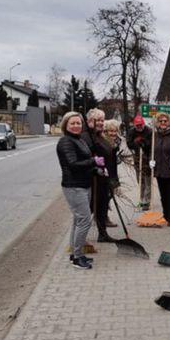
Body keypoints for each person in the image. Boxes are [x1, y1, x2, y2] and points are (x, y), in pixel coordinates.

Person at [56, 111, 103, 270]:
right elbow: (72, 164)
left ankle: (75, 254)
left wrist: (96, 170)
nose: (76, 126)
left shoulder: (79, 140)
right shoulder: (65, 142)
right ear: (66, 125)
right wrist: (93, 161)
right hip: (74, 186)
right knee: (84, 221)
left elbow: (84, 164)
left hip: (84, 184)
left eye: (78, 123)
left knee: (78, 220)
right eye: (73, 123)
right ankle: (77, 257)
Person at [80, 108, 116, 243]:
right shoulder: (86, 136)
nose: (101, 123)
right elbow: (86, 154)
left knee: (101, 206)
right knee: (88, 209)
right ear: (89, 121)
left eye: (102, 120)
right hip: (92, 178)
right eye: (98, 120)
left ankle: (103, 234)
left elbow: (106, 151)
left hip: (102, 178)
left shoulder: (99, 135)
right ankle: (78, 238)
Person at [149, 113, 170, 226]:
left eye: (165, 121)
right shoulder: (155, 136)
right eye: (161, 121)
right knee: (163, 195)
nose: (163, 123)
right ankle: (165, 214)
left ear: (169, 122)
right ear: (157, 123)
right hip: (159, 170)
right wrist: (151, 161)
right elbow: (152, 151)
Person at [127, 115, 152, 210]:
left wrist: (144, 142)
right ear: (134, 125)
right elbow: (129, 144)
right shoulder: (132, 132)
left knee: (147, 181)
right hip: (138, 159)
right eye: (137, 125)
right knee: (140, 180)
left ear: (143, 124)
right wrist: (135, 143)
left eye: (140, 125)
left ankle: (147, 201)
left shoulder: (149, 131)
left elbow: (152, 145)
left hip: (148, 158)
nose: (139, 127)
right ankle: (142, 199)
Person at [103, 119, 122, 227]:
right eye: (110, 131)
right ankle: (103, 217)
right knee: (105, 195)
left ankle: (102, 216)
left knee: (110, 194)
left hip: (113, 171)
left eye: (115, 131)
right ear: (105, 131)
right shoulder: (103, 141)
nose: (113, 133)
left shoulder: (115, 141)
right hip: (106, 171)